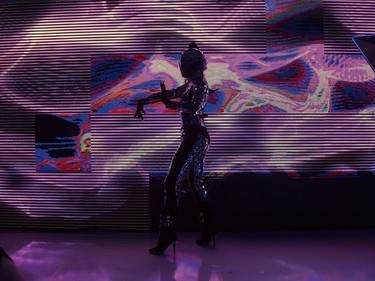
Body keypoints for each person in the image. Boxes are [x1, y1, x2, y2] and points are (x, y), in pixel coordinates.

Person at [134, 42, 217, 255]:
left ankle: (168, 233)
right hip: (196, 135)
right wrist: (146, 100)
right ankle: (208, 229)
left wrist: (167, 104)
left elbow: (194, 107)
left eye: (187, 64)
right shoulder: (191, 84)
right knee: (196, 183)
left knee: (171, 182)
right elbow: (170, 93)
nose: (184, 67)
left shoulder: (200, 85)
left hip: (194, 135)